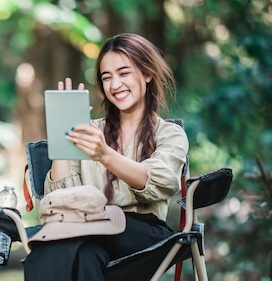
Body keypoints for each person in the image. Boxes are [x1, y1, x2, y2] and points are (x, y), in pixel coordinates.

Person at [23, 33, 189, 280]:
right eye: (106, 77)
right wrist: (62, 136)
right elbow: (60, 199)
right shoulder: (89, 131)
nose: (115, 84)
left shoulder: (169, 134)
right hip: (87, 228)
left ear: (147, 74)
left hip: (143, 233)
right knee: (77, 254)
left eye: (124, 73)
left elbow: (161, 183)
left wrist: (105, 154)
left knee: (60, 242)